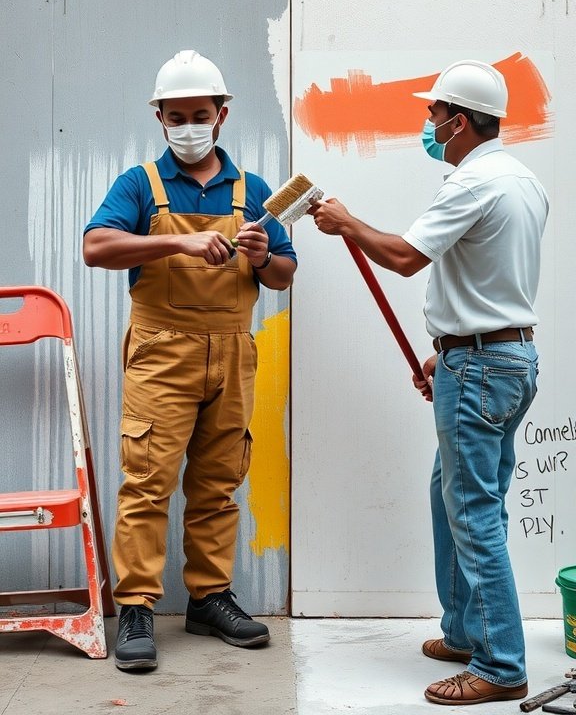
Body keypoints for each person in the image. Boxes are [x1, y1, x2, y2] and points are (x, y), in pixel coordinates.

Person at [310, 60, 548, 706]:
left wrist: (348, 222)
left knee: (473, 513)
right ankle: (467, 631)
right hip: (504, 358)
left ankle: (500, 666)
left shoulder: (470, 184)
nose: (428, 123)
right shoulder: (522, 179)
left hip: (481, 367)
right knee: (461, 491)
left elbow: (406, 257)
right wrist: (449, 352)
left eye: (434, 113)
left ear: (461, 120)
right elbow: (494, 281)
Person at [83, 49, 297, 672]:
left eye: (199, 114)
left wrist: (260, 254)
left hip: (232, 351)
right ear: (160, 117)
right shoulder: (138, 185)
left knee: (218, 483)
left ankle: (209, 598)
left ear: (222, 114)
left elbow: (283, 275)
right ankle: (140, 606)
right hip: (161, 350)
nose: (187, 125)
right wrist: (179, 238)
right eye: (175, 116)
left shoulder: (253, 191)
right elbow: (96, 247)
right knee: (147, 482)